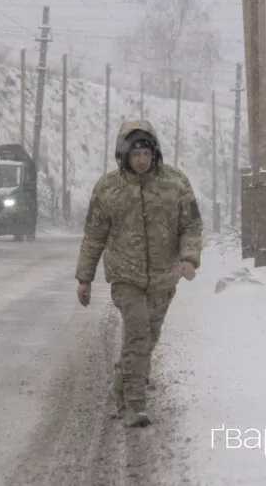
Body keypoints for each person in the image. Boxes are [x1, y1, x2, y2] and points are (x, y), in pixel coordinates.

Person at [74, 119, 202, 428]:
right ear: (124, 156)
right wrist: (84, 278)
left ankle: (123, 384)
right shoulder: (108, 189)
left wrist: (189, 258)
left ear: (154, 153)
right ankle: (134, 404)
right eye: (135, 155)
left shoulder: (176, 184)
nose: (142, 160)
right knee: (138, 331)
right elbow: (94, 236)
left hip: (163, 276)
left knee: (149, 336)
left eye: (146, 154)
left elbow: (191, 226)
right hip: (124, 275)